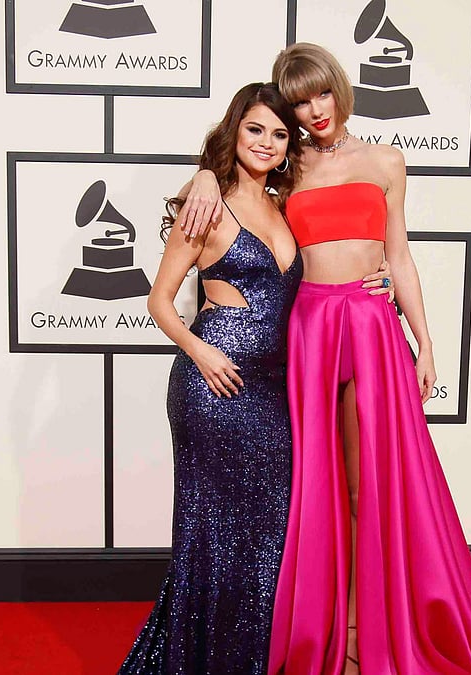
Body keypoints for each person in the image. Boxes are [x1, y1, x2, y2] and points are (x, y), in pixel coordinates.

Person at [179, 44, 471, 674]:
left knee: (366, 485)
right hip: (307, 329)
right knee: (314, 482)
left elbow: (400, 254)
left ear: (339, 88)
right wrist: (202, 173)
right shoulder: (287, 166)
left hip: (369, 327)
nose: (314, 110)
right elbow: (229, 187)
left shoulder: (386, 161)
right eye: (299, 102)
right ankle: (321, 623)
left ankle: (362, 628)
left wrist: (425, 341)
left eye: (321, 94)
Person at [118, 82, 390, 675]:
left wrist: (383, 270)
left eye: (279, 134)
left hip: (274, 387)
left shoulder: (285, 203)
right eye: (255, 129)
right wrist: (201, 352)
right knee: (212, 532)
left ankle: (256, 656)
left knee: (270, 530)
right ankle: (204, 659)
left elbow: (338, 249)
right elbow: (159, 300)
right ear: (234, 131)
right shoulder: (206, 205)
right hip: (214, 384)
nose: (267, 142)